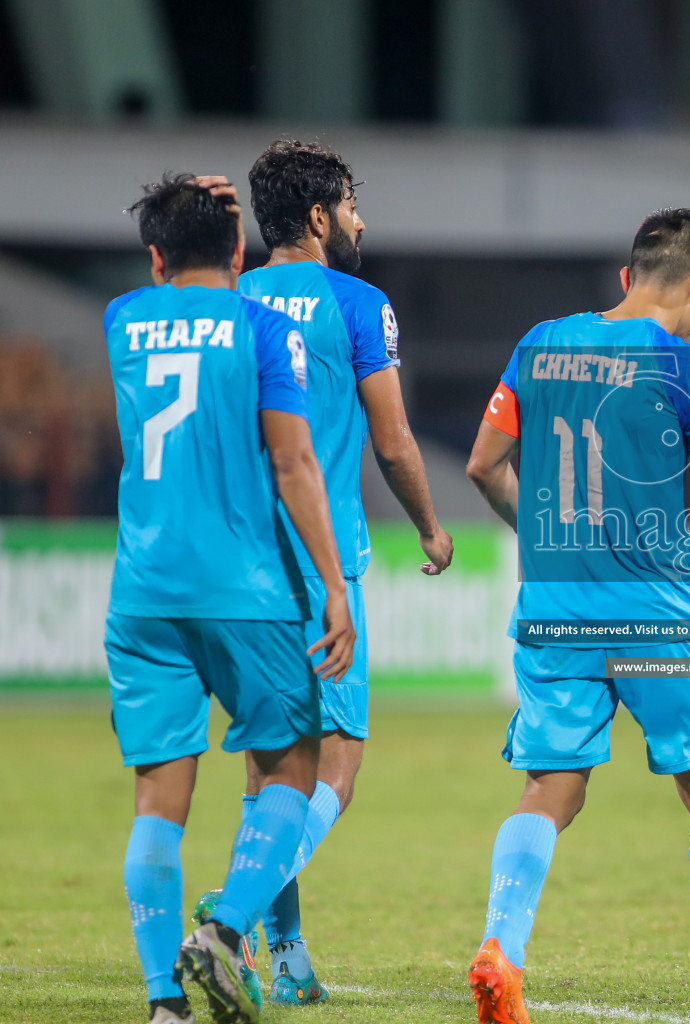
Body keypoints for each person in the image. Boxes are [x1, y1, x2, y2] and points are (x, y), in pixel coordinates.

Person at [464, 208, 690, 1022]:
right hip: (656, 620)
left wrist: (544, 535)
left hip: (556, 609)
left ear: (627, 277)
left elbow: (483, 465)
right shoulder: (682, 363)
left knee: (551, 787)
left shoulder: (541, 343)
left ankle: (502, 945)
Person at [194, 139, 454, 1007]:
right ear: (317, 218)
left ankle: (291, 951)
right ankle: (229, 922)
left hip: (231, 562)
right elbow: (393, 440)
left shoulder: (226, 301)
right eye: (350, 205)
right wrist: (429, 523)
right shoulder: (359, 304)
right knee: (335, 765)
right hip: (317, 564)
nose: (360, 220)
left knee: (273, 767)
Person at [105, 173, 356, 1024]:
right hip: (244, 590)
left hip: (141, 593)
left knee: (157, 799)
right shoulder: (262, 328)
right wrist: (332, 585)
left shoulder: (121, 322)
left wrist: (188, 208)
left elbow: (172, 297)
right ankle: (226, 928)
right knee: (292, 765)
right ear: (241, 251)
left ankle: (163, 1005)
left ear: (153, 257)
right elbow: (293, 464)